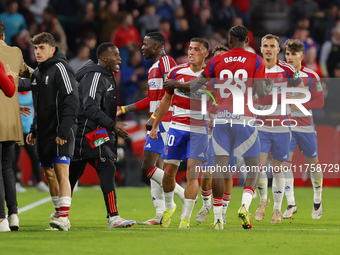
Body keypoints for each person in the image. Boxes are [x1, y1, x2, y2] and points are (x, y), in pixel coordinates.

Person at [164, 25, 271, 229]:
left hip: (221, 119)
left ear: (230, 41)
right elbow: (260, 91)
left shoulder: (217, 60)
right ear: (247, 41)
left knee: (219, 170)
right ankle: (244, 206)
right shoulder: (255, 59)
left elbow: (196, 85)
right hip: (245, 119)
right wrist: (267, 86)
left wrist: (176, 84)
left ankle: (218, 219)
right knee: (253, 167)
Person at [117, 32, 185, 225]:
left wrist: (155, 117)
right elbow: (152, 99)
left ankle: (182, 195)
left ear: (156, 46)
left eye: (145, 44)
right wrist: (123, 108)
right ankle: (160, 214)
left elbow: (171, 93)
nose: (142, 48)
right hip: (157, 121)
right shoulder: (153, 68)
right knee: (156, 168)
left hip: (166, 121)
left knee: (147, 166)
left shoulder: (166, 62)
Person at [69, 42, 136, 229]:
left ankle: (61, 212)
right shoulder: (96, 75)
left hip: (92, 132)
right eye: (115, 55)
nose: (119, 58)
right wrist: (112, 125)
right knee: (105, 168)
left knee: (74, 174)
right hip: (88, 133)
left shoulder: (104, 75)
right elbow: (90, 106)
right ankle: (113, 217)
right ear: (104, 58)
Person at [149, 37, 210, 229]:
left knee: (192, 173)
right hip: (177, 125)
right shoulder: (176, 71)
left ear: (205, 54)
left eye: (196, 49)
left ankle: (186, 218)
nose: (191, 52)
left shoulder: (210, 74)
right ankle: (169, 207)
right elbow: (166, 100)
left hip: (200, 127)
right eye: (190, 48)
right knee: (168, 173)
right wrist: (155, 125)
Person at [27, 32, 79, 231]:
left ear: (52, 49)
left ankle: (64, 218)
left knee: (61, 170)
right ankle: (59, 212)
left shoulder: (61, 68)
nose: (37, 52)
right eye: (35, 48)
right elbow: (38, 105)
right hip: (45, 130)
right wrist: (34, 128)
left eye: (41, 48)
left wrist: (64, 130)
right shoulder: (38, 73)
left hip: (61, 129)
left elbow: (72, 101)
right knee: (49, 172)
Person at [255, 34, 304, 224]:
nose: (268, 49)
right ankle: (262, 202)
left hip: (282, 124)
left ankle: (276, 208)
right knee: (258, 167)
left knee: (278, 169)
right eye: (265, 45)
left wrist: (287, 97)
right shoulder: (255, 68)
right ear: (261, 48)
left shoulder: (287, 69)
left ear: (278, 50)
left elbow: (301, 91)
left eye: (272, 46)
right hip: (261, 124)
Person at [282, 39, 324, 219]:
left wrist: (300, 103)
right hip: (287, 125)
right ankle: (291, 203)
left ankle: (317, 201)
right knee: (284, 164)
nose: (289, 57)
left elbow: (320, 101)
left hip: (306, 126)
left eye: (293, 54)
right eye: (287, 54)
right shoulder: (280, 75)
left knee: (312, 164)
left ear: (302, 56)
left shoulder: (312, 76)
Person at [0, 20, 33, 232]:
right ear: (3, 35)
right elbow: (32, 78)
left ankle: (0, 219)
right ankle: (13, 215)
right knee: (7, 168)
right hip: (11, 120)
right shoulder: (14, 52)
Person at [195, 45, 234, 225]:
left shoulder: (235, 84)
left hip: (229, 131)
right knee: (207, 173)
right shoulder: (207, 82)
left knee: (226, 174)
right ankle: (207, 205)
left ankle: (223, 211)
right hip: (210, 132)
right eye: (216, 58)